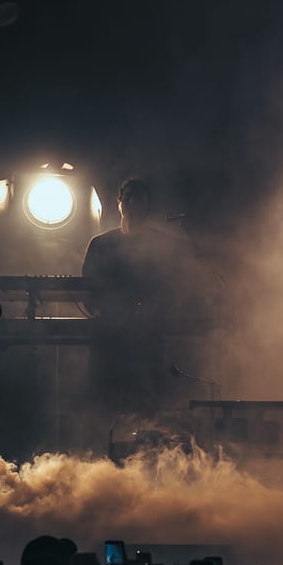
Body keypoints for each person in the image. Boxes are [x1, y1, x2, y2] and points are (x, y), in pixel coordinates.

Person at [82, 177, 197, 422]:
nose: (133, 204)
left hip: (148, 333)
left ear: (148, 206)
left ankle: (147, 439)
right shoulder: (101, 244)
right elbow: (88, 289)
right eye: (129, 198)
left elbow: (175, 286)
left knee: (147, 399)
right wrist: (102, 313)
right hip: (111, 334)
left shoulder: (163, 245)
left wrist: (156, 310)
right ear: (119, 203)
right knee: (107, 397)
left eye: (139, 199)